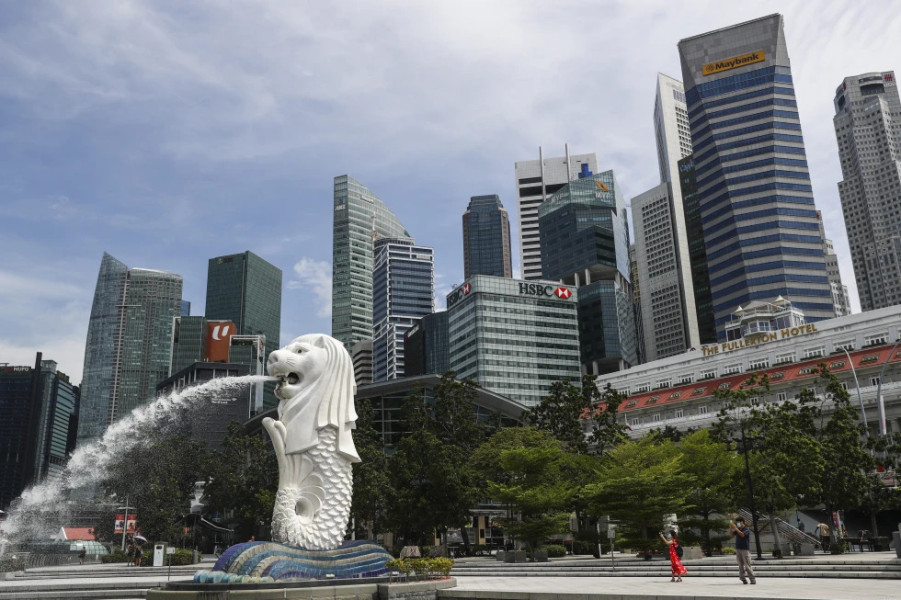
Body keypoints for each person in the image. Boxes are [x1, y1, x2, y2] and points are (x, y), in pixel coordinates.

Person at [728, 517, 756, 585]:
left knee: (747, 564)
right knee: (740, 565)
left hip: (745, 549)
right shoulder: (738, 529)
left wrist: (736, 528)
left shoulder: (746, 529)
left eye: (738, 522)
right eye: (737, 522)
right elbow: (731, 534)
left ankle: (752, 579)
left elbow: (743, 535)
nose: (737, 524)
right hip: (738, 549)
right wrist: (731, 528)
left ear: (742, 522)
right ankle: (743, 578)